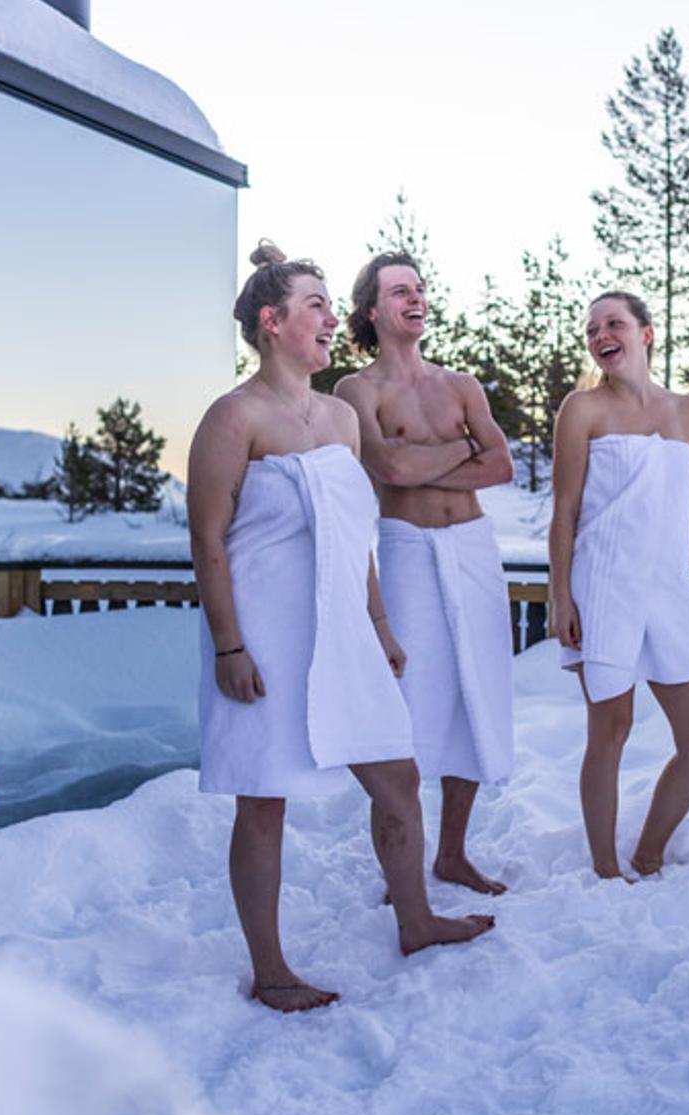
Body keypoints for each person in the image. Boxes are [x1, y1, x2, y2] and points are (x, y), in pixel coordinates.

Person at [190, 242, 494, 1013]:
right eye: (317, 305)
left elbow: (354, 530)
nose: (332, 318)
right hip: (263, 630)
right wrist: (229, 644)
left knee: (397, 776)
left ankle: (417, 919)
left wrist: (380, 625)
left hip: (343, 628)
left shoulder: (337, 419)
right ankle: (271, 970)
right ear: (272, 322)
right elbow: (207, 541)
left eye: (331, 304)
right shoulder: (233, 418)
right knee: (265, 801)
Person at [336, 252, 516, 895]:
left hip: (472, 545)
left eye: (420, 288)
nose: (416, 298)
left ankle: (453, 852)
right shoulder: (358, 391)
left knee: (475, 694)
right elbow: (388, 472)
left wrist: (428, 456)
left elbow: (502, 467)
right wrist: (460, 448)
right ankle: (402, 867)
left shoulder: (461, 384)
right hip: (408, 546)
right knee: (406, 703)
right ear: (372, 309)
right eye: (400, 291)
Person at [549, 290, 689, 880]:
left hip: (670, 590)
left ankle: (650, 851)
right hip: (603, 584)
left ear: (645, 333)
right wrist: (561, 597)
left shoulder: (688, 411)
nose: (602, 334)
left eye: (615, 323)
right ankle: (604, 868)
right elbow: (565, 510)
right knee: (612, 728)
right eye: (592, 328)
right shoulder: (582, 409)